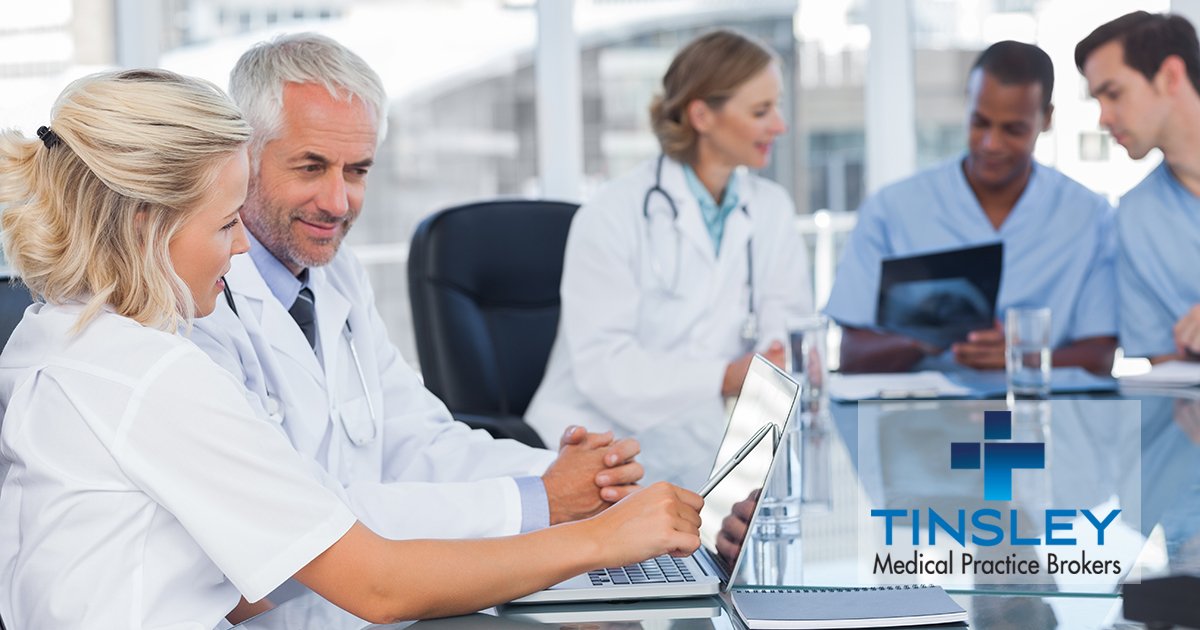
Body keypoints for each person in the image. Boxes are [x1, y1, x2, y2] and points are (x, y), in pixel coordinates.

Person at [0, 68, 703, 629]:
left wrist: (566, 497)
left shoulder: (59, 338)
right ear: (147, 226)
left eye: (358, 169)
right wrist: (605, 540)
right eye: (223, 226)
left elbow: (407, 444)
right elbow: (377, 585)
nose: (239, 244)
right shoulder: (151, 373)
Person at [190, 33, 641, 543]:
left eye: (357, 171)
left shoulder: (338, 276)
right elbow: (298, 513)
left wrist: (575, 478)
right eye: (311, 167)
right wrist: (541, 499)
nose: (338, 203)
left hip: (376, 603)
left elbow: (418, 441)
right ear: (244, 157)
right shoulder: (199, 302)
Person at [525, 30, 813, 451]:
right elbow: (605, 366)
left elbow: (783, 338)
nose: (780, 125)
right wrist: (724, 377)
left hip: (710, 442)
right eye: (760, 110)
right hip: (596, 440)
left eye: (778, 106)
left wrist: (769, 367)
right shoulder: (611, 214)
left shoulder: (771, 210)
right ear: (702, 116)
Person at [825, 41, 1117, 375]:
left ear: (1046, 119)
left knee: (998, 429)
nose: (991, 144)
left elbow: (1101, 357)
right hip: (925, 421)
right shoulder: (891, 210)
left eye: (1013, 129)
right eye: (980, 123)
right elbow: (852, 355)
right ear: (967, 104)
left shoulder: (1090, 217)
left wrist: (1020, 357)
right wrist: (926, 336)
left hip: (1036, 417)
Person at [1076, 12, 1200, 363]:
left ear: (1170, 76)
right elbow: (1167, 367)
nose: (1103, 118)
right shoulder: (1136, 217)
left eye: (1113, 94)